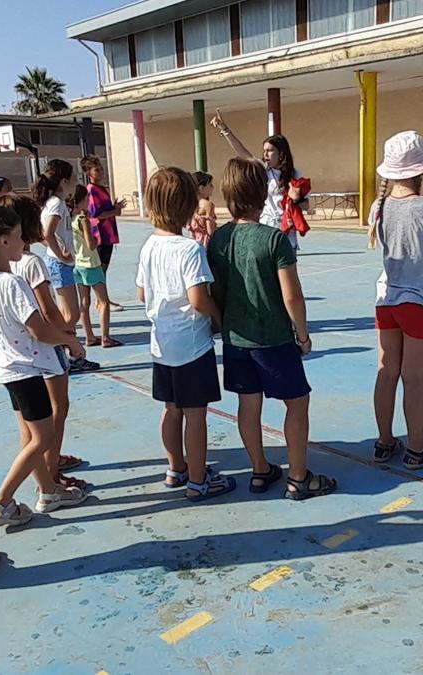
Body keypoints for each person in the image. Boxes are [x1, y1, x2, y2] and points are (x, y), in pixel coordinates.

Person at [208, 157, 337, 500]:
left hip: (236, 339)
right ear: (263, 194)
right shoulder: (274, 240)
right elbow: (292, 295)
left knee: (248, 406)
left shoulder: (218, 239)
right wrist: (304, 335)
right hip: (274, 339)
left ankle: (260, 469)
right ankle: (298, 476)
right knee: (297, 403)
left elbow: (216, 289)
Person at [0, 204, 87, 528]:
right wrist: (70, 342)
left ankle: (48, 491)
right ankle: (1, 501)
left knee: (30, 435)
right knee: (42, 437)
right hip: (25, 369)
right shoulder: (11, 283)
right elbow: (38, 329)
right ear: (2, 241)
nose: (22, 242)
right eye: (16, 236)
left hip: (7, 367)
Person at [136, 167, 234, 502]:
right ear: (188, 204)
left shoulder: (149, 245)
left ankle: (175, 467)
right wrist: (218, 317)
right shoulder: (189, 249)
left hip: (161, 344)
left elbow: (140, 293)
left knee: (171, 408)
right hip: (192, 345)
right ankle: (198, 479)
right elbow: (198, 298)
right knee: (196, 415)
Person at [0, 193, 91, 503]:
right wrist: (69, 333)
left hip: (13, 354)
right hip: (42, 353)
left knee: (30, 427)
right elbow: (47, 312)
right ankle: (49, 473)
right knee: (55, 412)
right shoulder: (31, 263)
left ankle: (47, 476)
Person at [368, 131, 423, 470]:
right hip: (419, 302)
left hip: (386, 299)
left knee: (387, 370)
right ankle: (417, 449)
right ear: (421, 171)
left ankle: (384, 440)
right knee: (413, 378)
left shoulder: (380, 205)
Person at [33, 160, 99, 369]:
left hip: (61, 263)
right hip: (59, 264)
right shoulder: (56, 203)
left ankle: (69, 355)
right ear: (64, 181)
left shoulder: (55, 203)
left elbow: (44, 233)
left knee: (67, 314)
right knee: (71, 314)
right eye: (74, 179)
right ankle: (63, 353)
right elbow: (47, 232)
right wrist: (60, 253)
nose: (76, 183)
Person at [210, 109, 307, 250]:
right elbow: (244, 153)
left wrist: (297, 199)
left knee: (285, 267)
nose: (265, 154)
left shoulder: (295, 175)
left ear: (281, 154)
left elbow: (307, 206)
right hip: (264, 227)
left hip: (286, 230)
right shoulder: (263, 170)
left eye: (270, 150)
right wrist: (225, 129)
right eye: (264, 150)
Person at [70, 185, 119, 348]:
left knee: (84, 301)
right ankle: (105, 337)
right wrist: (97, 240)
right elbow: (91, 244)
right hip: (91, 264)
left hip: (78, 263)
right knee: (103, 301)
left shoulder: (69, 219)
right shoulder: (83, 220)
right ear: (82, 200)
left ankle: (89, 336)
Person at [81, 155, 128, 313]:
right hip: (100, 235)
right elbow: (95, 214)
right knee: (100, 270)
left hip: (108, 234)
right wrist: (114, 211)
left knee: (103, 269)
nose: (101, 172)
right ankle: (101, 300)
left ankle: (103, 299)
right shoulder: (92, 190)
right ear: (89, 173)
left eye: (101, 169)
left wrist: (115, 207)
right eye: (96, 170)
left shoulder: (101, 188)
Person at [188, 171, 217, 248]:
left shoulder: (190, 205)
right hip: (206, 245)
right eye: (210, 184)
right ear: (202, 188)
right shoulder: (208, 205)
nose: (213, 187)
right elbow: (211, 232)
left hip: (193, 244)